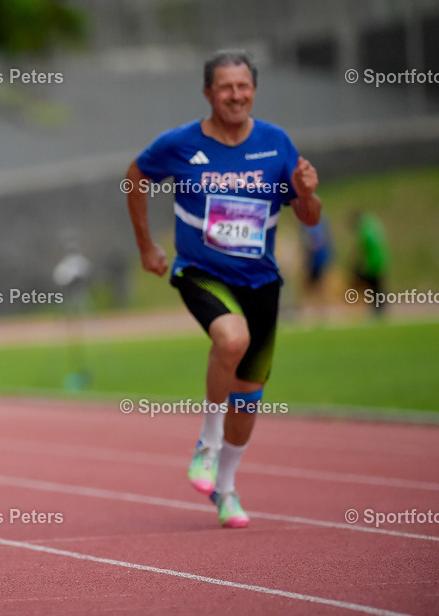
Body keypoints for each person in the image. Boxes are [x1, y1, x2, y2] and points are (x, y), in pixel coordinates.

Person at [125, 50, 321, 528]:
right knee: (232, 339)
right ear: (209, 92)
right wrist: (147, 245)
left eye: (243, 86)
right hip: (201, 271)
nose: (236, 94)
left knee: (248, 395)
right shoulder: (180, 144)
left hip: (261, 280)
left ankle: (226, 488)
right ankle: (207, 445)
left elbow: (309, 216)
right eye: (226, 87)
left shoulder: (275, 143)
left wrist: (307, 192)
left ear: (254, 89)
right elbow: (135, 178)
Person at [350, 210, 389, 317]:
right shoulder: (372, 224)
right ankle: (379, 308)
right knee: (377, 286)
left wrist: (358, 262)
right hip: (381, 259)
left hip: (373, 262)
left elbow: (365, 246)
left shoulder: (364, 230)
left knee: (373, 285)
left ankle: (377, 308)